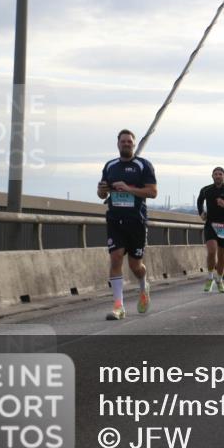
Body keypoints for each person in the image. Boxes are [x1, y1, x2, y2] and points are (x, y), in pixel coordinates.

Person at [97, 129, 157, 320]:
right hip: (115, 219)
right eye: (123, 142)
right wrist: (101, 189)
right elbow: (102, 194)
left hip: (136, 221)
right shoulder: (110, 166)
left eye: (129, 142)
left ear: (134, 144)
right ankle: (118, 306)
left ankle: (143, 285)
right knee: (115, 258)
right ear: (118, 144)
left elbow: (153, 192)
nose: (126, 144)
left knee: (135, 266)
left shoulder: (143, 165)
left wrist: (129, 189)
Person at [197, 167, 224, 294]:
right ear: (212, 176)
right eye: (215, 174)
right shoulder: (206, 190)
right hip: (210, 224)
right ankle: (210, 277)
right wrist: (201, 212)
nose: (218, 176)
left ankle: (219, 280)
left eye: (220, 174)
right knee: (212, 251)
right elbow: (199, 201)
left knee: (221, 256)